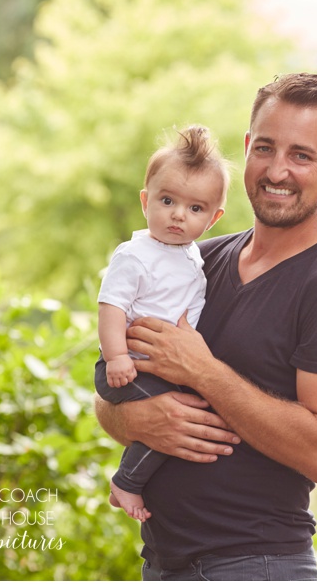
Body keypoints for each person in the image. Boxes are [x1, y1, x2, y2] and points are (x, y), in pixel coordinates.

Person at [94, 73, 317, 581]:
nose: (277, 170)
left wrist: (205, 373)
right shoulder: (192, 260)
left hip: (256, 564)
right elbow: (109, 391)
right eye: (266, 148)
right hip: (162, 564)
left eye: (301, 155)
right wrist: (137, 421)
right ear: (247, 148)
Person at [95, 125, 229, 523]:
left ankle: (135, 479)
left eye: (195, 209)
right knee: (177, 417)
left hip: (160, 369)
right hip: (125, 367)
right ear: (145, 200)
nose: (177, 215)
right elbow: (111, 307)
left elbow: (189, 320)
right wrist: (116, 356)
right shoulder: (135, 254)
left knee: (180, 412)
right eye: (167, 200)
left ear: (213, 218)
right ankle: (127, 482)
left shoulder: (194, 262)